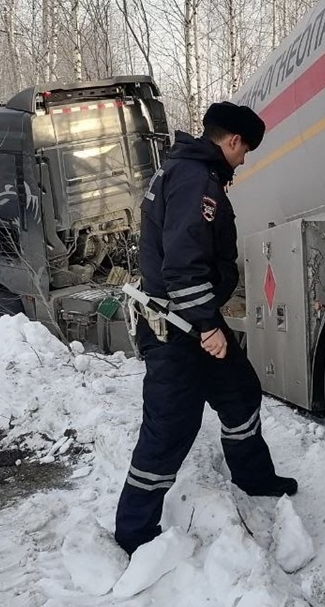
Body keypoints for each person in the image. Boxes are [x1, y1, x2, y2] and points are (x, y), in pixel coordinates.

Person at [114, 101, 297, 556]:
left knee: (240, 393)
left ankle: (254, 478)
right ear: (232, 141)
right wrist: (208, 326)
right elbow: (183, 265)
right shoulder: (196, 181)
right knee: (170, 427)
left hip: (191, 320)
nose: (244, 160)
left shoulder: (190, 171)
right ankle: (134, 532)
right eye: (245, 150)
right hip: (178, 326)